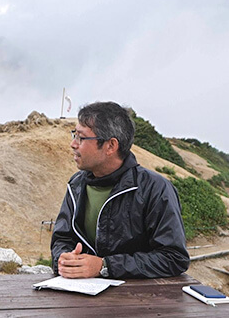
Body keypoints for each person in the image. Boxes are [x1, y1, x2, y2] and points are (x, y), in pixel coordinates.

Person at [50, 101, 190, 279]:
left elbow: (174, 257)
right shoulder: (76, 185)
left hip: (140, 301)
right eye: (74, 135)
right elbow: (62, 239)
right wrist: (63, 259)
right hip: (81, 299)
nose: (73, 144)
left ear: (110, 146)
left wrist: (105, 266)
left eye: (81, 138)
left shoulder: (155, 188)